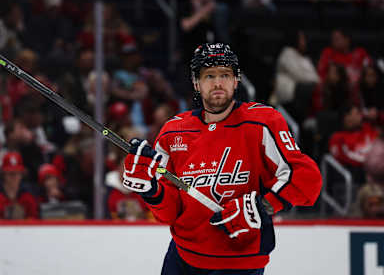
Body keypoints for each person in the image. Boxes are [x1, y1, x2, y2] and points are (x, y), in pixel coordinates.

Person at [121, 43, 322, 274]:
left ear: (236, 80)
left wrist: (262, 206)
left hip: (239, 260)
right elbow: (168, 213)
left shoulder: (262, 122)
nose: (218, 83)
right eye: (209, 76)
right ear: (197, 83)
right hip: (182, 258)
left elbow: (307, 179)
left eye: (225, 75)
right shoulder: (173, 132)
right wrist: (150, 189)